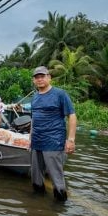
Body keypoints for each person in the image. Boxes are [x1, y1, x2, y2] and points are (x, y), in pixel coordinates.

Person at [30, 66, 76, 202]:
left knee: (56, 176)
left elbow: (72, 116)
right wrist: (30, 138)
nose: (40, 79)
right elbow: (34, 118)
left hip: (53, 141)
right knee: (36, 176)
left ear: (49, 77)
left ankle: (60, 203)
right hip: (36, 141)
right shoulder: (35, 97)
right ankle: (38, 203)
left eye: (42, 76)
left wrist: (71, 140)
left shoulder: (60, 94)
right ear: (34, 80)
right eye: (37, 77)